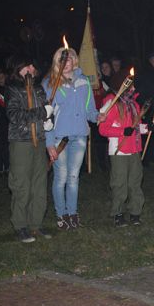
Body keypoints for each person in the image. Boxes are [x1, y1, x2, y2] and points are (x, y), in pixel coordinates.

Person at [43, 47, 106, 230]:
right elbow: (46, 117)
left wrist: (97, 117)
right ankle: (61, 214)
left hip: (79, 136)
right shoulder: (50, 84)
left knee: (73, 177)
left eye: (70, 57)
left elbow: (90, 111)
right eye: (63, 58)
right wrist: (49, 144)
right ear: (57, 62)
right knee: (61, 177)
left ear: (74, 60)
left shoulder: (84, 81)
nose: (67, 60)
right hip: (59, 138)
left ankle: (72, 212)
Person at [5, 54, 54, 242]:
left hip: (39, 141)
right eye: (26, 67)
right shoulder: (13, 89)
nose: (30, 70)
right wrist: (41, 113)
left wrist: (49, 120)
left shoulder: (38, 88)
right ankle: (20, 225)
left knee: (39, 184)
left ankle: (36, 223)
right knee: (21, 184)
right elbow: (15, 115)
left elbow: (46, 110)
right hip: (21, 142)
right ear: (18, 69)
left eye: (32, 67)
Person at [99, 88, 147, 227]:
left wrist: (147, 128)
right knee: (119, 182)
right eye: (129, 85)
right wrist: (121, 132)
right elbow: (103, 129)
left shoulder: (134, 104)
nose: (132, 88)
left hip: (134, 149)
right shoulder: (112, 103)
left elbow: (135, 127)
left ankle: (135, 212)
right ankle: (118, 212)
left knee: (135, 181)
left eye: (133, 86)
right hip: (118, 150)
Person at [0, 68, 10, 175]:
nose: (1, 79)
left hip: (8, 122)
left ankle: (8, 166)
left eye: (3, 77)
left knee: (7, 145)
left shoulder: (10, 90)